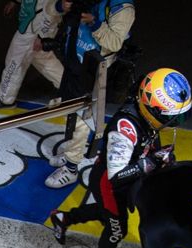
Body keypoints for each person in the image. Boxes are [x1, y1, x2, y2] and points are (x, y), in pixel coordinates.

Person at [48, 67, 191, 248]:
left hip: (118, 176)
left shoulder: (145, 110)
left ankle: (63, 218)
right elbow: (117, 176)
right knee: (118, 228)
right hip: (109, 182)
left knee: (106, 213)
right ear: (153, 110)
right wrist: (151, 162)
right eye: (172, 118)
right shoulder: (124, 129)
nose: (175, 123)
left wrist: (158, 157)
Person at [41, 0, 137, 189]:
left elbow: (115, 43)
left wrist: (95, 23)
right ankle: (70, 150)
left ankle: (71, 167)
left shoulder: (123, 7)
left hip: (95, 69)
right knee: (69, 109)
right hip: (74, 59)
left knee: (82, 119)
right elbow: (49, 8)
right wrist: (62, 6)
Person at [0, 1, 59, 110]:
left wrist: (43, 36)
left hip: (37, 23)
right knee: (42, 58)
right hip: (34, 20)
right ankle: (70, 86)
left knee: (15, 60)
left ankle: (5, 99)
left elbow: (54, 8)